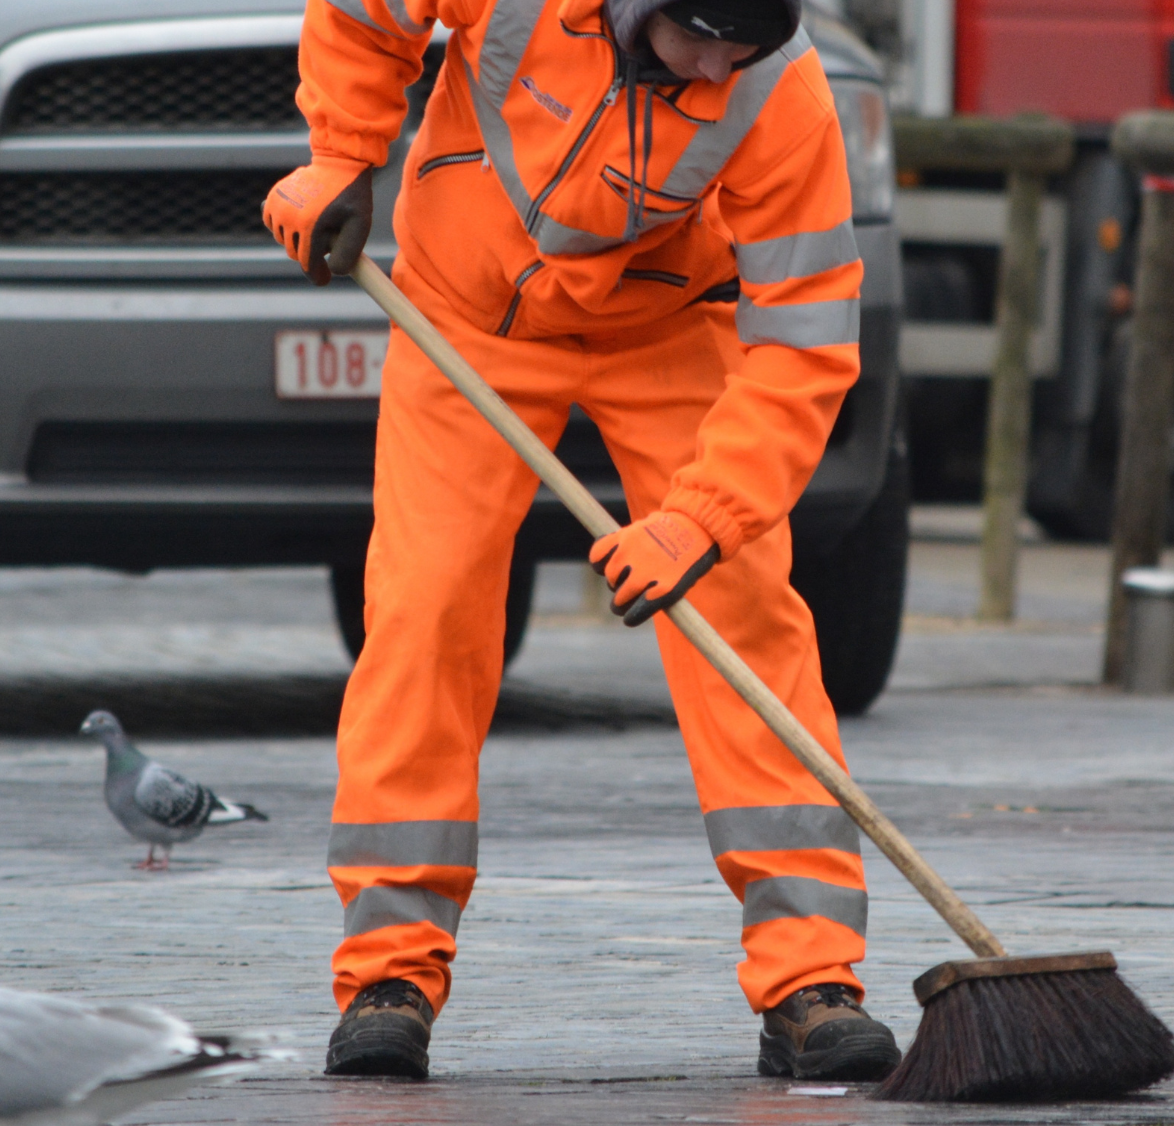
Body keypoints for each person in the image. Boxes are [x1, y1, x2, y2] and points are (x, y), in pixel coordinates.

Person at [263, 0, 899, 1083]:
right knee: (424, 609)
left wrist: (700, 517)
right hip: (464, 320)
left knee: (739, 611)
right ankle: (389, 975)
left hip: (665, 329)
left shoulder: (778, 91)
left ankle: (810, 979)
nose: (715, 66)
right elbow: (364, 15)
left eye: (740, 48)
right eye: (698, 36)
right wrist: (340, 156)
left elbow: (803, 341)